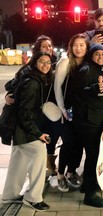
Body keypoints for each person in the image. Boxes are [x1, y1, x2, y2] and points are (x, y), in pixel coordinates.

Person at [2, 52, 53, 211]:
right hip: (21, 128)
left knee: (19, 159)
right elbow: (25, 114)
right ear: (35, 63)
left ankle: (9, 195)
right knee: (39, 152)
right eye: (41, 62)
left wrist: (10, 95)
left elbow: (10, 86)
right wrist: (38, 134)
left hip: (16, 126)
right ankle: (33, 198)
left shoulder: (33, 76)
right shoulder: (32, 83)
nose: (45, 65)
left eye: (48, 63)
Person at [5, 35, 60, 177]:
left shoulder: (54, 65)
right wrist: (9, 96)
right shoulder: (29, 69)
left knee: (46, 144)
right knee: (32, 151)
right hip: (31, 117)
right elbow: (12, 85)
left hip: (47, 113)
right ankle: (37, 180)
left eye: (50, 46)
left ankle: (46, 171)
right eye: (44, 46)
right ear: (37, 51)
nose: (48, 48)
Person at [72, 43, 103, 207]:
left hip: (99, 119)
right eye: (97, 54)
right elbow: (75, 94)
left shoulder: (101, 69)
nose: (101, 57)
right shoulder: (86, 70)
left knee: (94, 155)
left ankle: (87, 186)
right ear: (91, 55)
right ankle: (90, 194)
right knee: (93, 157)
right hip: (89, 122)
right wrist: (92, 89)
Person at [54, 33, 89, 192]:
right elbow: (57, 87)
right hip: (67, 112)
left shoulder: (88, 64)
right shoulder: (65, 62)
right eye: (75, 45)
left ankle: (71, 172)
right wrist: (62, 109)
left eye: (82, 45)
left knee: (79, 144)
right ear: (70, 47)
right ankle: (60, 174)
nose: (79, 48)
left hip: (82, 113)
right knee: (68, 144)